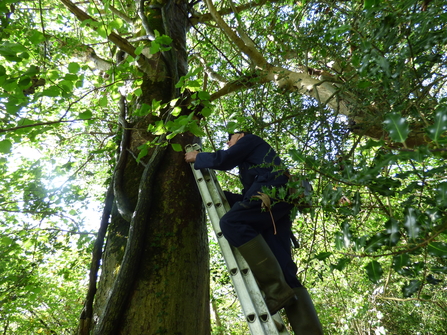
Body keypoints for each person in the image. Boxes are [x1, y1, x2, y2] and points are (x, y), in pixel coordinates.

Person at [185, 131, 323, 334]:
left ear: (241, 135)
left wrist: (199, 157)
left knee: (231, 223)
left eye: (230, 138)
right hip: (276, 208)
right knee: (286, 271)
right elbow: (249, 198)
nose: (227, 141)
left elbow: (225, 159)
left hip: (273, 192)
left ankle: (276, 290)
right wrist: (223, 196)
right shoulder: (255, 163)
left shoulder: (250, 140)